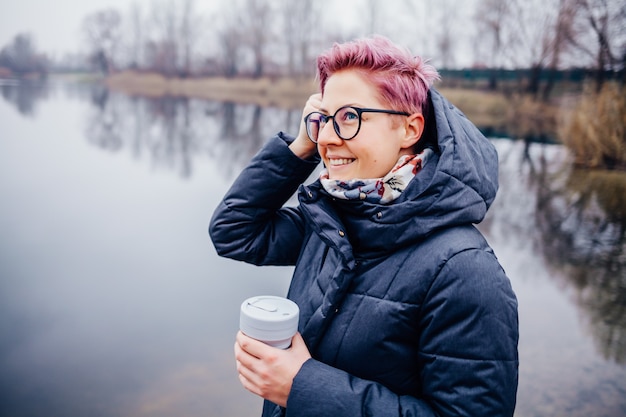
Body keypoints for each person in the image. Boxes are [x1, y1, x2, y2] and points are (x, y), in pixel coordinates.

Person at [209, 35, 518, 417]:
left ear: (410, 128)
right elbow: (234, 230)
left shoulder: (464, 270)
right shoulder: (333, 219)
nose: (326, 137)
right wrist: (302, 145)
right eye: (322, 120)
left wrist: (301, 387)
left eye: (350, 117)